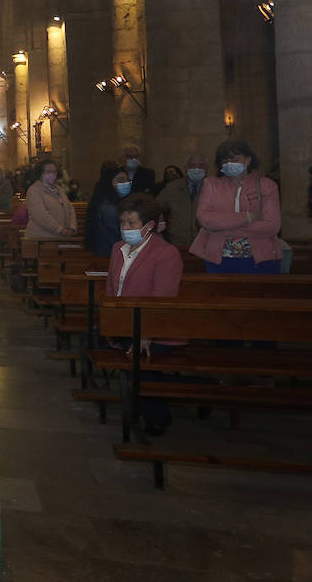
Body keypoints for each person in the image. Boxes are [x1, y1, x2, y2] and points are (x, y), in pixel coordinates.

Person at [104, 193, 184, 436]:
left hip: (155, 330)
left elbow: (162, 300)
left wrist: (146, 335)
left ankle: (156, 416)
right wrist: (109, 322)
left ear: (149, 226)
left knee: (141, 359)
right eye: (122, 223)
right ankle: (138, 403)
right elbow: (111, 289)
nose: (125, 228)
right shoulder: (118, 248)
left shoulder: (166, 254)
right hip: (124, 324)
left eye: (131, 223)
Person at [190, 139, 283, 273]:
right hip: (218, 259)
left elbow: (272, 226)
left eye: (235, 159)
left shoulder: (267, 185)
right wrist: (248, 217)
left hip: (261, 259)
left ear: (248, 160)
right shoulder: (211, 184)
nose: (229, 164)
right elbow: (204, 218)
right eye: (225, 160)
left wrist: (222, 227)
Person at [157, 153, 207, 250]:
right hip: (178, 244)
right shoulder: (172, 187)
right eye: (192, 165)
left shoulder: (214, 187)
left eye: (201, 165)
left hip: (206, 245)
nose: (197, 169)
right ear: (185, 168)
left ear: (207, 168)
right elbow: (156, 207)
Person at [23, 158, 77, 240]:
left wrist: (72, 227)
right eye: (48, 172)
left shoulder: (59, 189)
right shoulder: (34, 190)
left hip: (61, 237)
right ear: (40, 173)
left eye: (54, 172)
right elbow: (41, 215)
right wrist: (60, 230)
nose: (52, 174)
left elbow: (70, 208)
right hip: (42, 239)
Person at [85, 168, 131, 257]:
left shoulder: (117, 201)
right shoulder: (107, 205)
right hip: (109, 251)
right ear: (110, 182)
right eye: (121, 180)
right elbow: (118, 230)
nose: (125, 183)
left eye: (127, 180)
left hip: (113, 249)